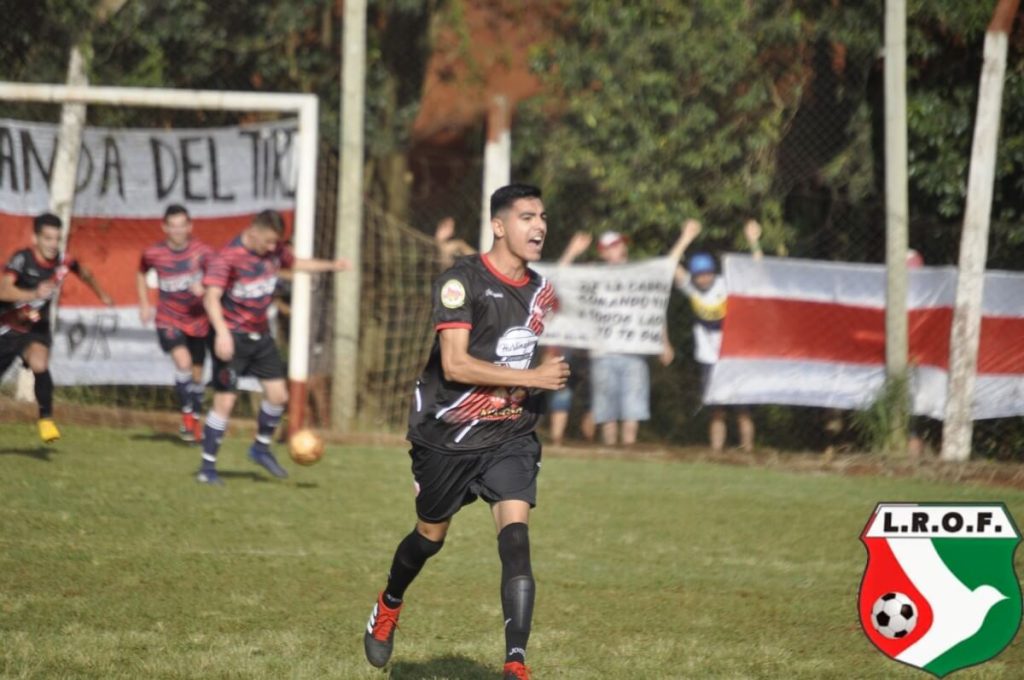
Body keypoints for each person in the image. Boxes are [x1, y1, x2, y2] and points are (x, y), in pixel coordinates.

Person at [363, 184, 569, 680]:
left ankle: (515, 662)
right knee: (429, 537)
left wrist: (550, 372)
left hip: (510, 435)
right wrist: (533, 378)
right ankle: (389, 603)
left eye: (542, 217)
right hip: (447, 434)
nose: (538, 226)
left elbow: (541, 353)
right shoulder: (460, 282)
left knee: (516, 540)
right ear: (499, 226)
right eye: (525, 217)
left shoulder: (544, 291)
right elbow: (454, 366)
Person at [195, 209, 349, 486]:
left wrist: (332, 265)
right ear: (252, 231)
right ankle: (207, 468)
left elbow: (297, 262)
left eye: (274, 243)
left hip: (260, 337)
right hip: (232, 338)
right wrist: (221, 334)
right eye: (266, 242)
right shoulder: (227, 258)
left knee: (278, 396)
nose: (271, 248)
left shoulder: (274, 252)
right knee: (225, 402)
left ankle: (260, 448)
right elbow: (211, 298)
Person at [560, 226, 686, 447]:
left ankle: (629, 450)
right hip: (602, 352)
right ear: (603, 253)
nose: (618, 249)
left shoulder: (639, 275)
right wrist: (572, 251)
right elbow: (560, 278)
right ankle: (610, 450)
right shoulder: (593, 273)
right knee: (606, 411)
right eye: (612, 246)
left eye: (619, 244)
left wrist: (664, 342)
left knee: (633, 408)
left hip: (634, 352)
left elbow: (653, 309)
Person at [0, 212, 114, 443]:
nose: (53, 245)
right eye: (48, 238)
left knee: (40, 363)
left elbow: (84, 272)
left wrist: (102, 294)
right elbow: (3, 291)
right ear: (36, 238)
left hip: (36, 327)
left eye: (57, 239)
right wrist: (33, 293)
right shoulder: (22, 259)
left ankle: (46, 420)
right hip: (9, 327)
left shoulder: (63, 261)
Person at [675, 218, 762, 451]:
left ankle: (748, 449)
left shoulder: (726, 284)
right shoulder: (692, 289)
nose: (703, 278)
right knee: (716, 409)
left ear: (713, 272)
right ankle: (716, 452)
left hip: (734, 355)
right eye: (699, 275)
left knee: (743, 409)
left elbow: (757, 273)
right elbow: (672, 266)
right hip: (709, 358)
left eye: (707, 274)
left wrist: (753, 242)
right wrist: (685, 238)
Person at [137, 205, 213, 442]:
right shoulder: (153, 253)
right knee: (184, 362)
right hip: (168, 319)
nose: (178, 230)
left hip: (198, 321)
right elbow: (141, 272)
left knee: (198, 376)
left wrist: (205, 286)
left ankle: (195, 420)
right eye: (173, 226)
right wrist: (144, 303)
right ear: (165, 227)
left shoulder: (203, 252)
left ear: (190, 226)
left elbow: (220, 276)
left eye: (182, 225)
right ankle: (187, 416)